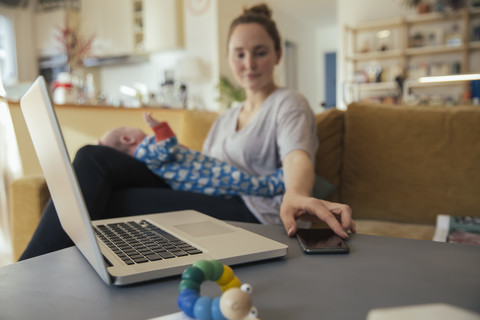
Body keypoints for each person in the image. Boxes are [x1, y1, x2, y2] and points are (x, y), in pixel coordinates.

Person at [20, 3, 355, 260]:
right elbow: (199, 170)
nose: (249, 63)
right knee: (93, 158)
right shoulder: (225, 118)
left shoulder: (289, 103)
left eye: (260, 52)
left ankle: (29, 283)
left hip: (252, 208)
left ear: (278, 54)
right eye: (239, 54)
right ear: (229, 58)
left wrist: (295, 193)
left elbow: (298, 157)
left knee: (111, 201)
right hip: (212, 196)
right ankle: (31, 274)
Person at [99, 112, 285, 197]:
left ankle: (265, 183)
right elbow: (169, 145)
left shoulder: (146, 155)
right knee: (237, 180)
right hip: (204, 174)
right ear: (127, 139)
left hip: (201, 176)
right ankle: (272, 184)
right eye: (132, 129)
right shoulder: (146, 148)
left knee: (233, 184)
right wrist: (157, 126)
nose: (140, 130)